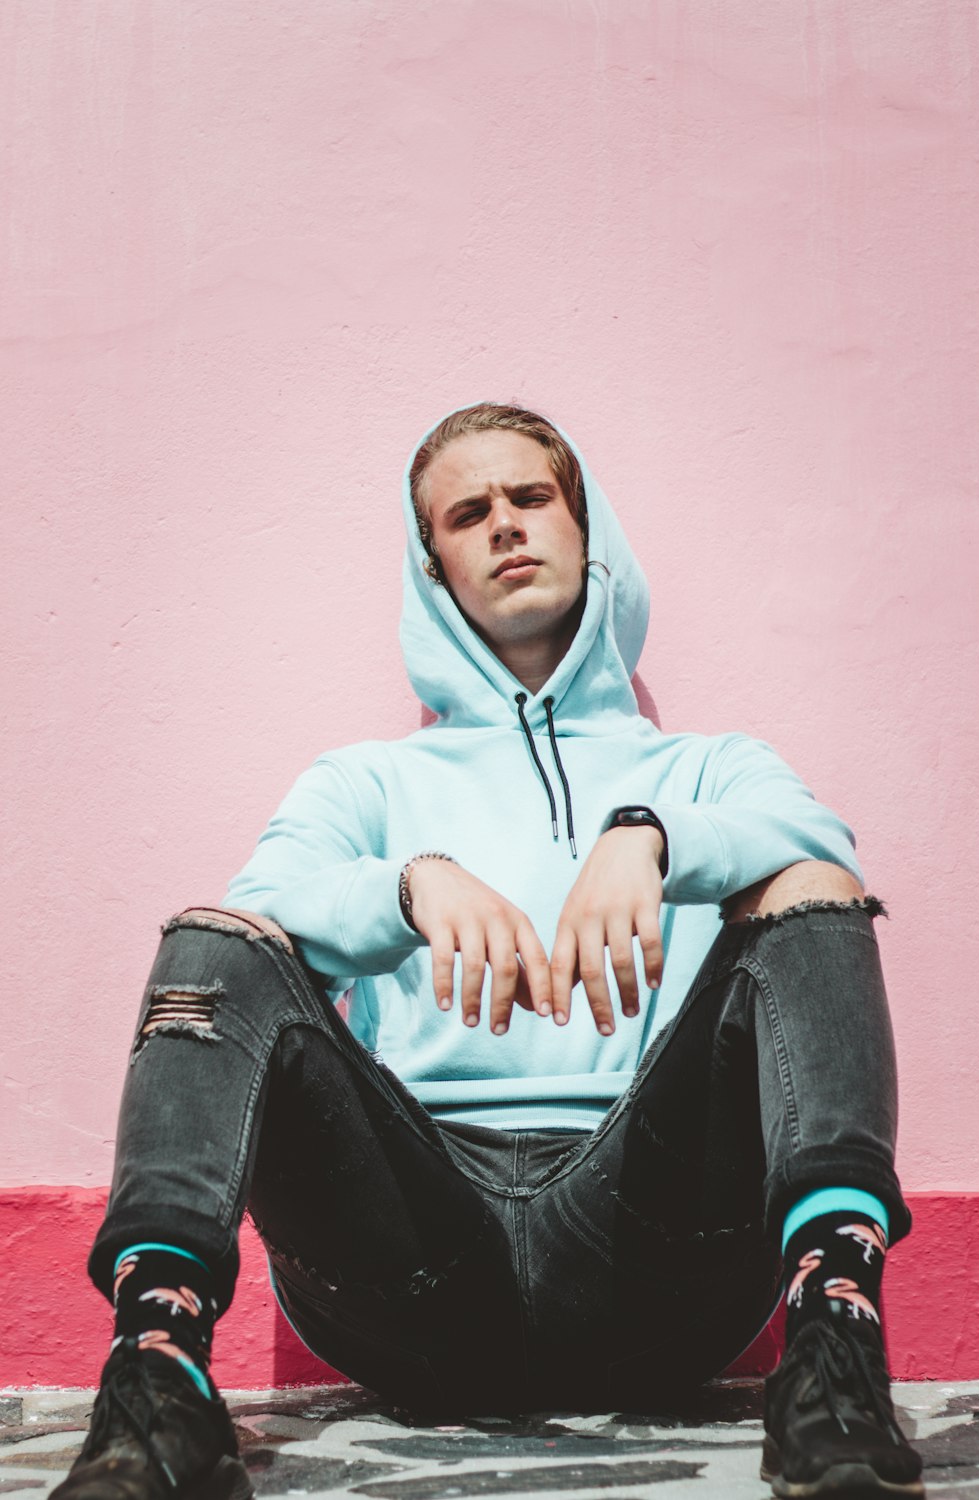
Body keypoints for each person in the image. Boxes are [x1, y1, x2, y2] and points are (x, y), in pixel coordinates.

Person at [53, 403, 924, 1500]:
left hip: (651, 1245)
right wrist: (409, 885)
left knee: (809, 887)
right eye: (470, 514)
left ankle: (836, 1353)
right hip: (415, 1254)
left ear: (584, 525)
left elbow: (818, 850)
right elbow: (261, 919)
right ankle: (154, 1379)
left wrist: (651, 838)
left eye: (531, 497)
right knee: (213, 942)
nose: (507, 527)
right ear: (435, 570)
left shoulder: (708, 766)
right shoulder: (364, 783)